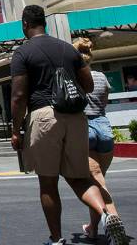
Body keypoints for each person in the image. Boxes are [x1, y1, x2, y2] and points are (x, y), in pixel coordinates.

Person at [10, 5, 127, 245]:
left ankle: (56, 239)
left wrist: (15, 130)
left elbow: (19, 95)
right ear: (44, 22)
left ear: (24, 25)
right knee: (80, 177)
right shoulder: (67, 48)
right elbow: (89, 85)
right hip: (75, 117)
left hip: (44, 116)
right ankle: (106, 215)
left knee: (48, 182)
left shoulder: (23, 53)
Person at [73, 38, 123, 240]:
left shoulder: (75, 78)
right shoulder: (101, 76)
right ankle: (93, 229)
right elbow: (104, 100)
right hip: (104, 128)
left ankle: (115, 223)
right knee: (98, 181)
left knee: (99, 184)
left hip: (86, 129)